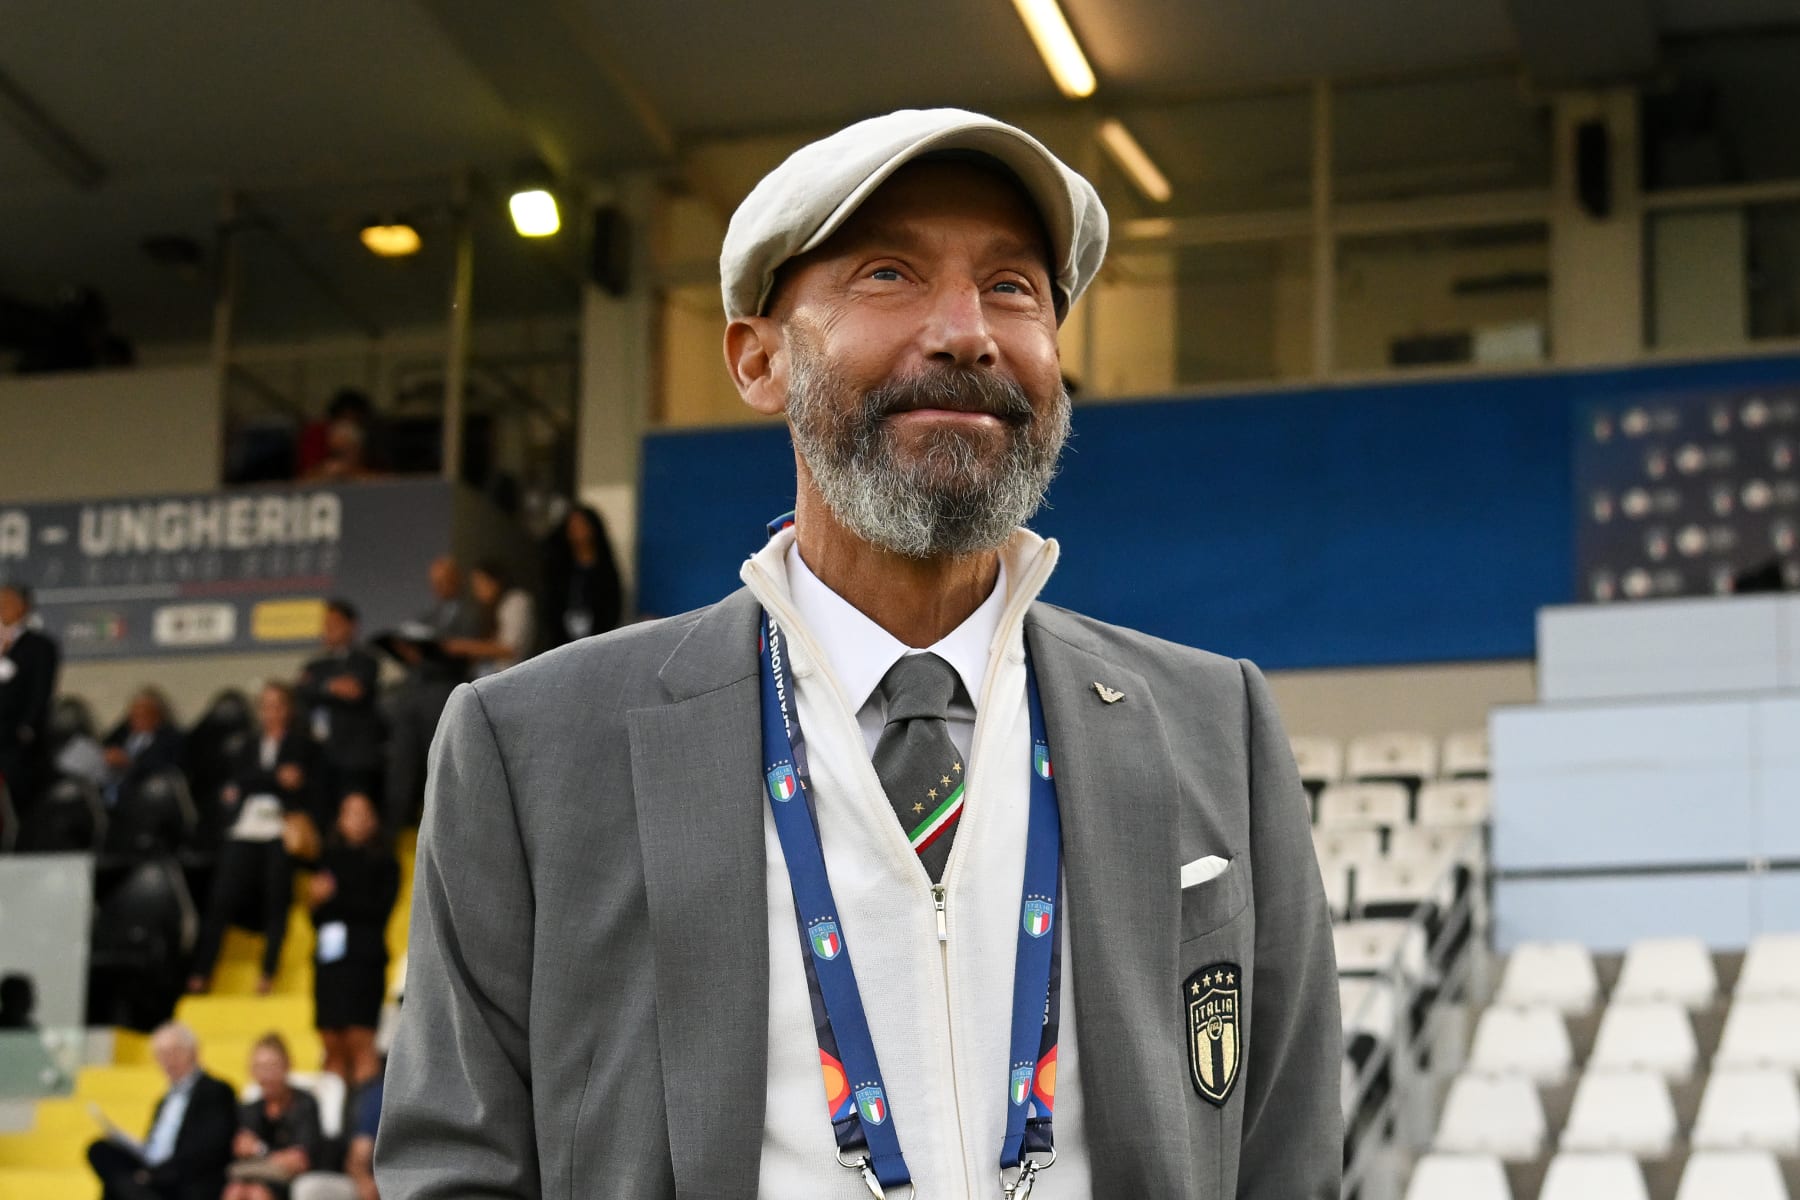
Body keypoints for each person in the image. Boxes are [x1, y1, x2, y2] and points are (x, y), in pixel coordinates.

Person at [377, 109, 1340, 1199]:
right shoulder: (534, 749)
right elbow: (458, 1168)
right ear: (757, 359)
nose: (967, 331)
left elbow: (1288, 1159)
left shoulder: (1218, 725)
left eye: (1013, 286)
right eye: (889, 274)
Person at [188, 683, 319, 996]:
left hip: (281, 830)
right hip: (244, 829)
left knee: (277, 901)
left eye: (277, 704)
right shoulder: (246, 744)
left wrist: (260, 782)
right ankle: (201, 971)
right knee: (221, 900)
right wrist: (275, 778)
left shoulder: (302, 745)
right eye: (266, 705)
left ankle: (268, 973)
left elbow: (304, 785)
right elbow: (236, 784)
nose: (271, 711)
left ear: (288, 709)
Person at [306, 791, 399, 1087]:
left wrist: (332, 898)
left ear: (374, 820)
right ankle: (333, 1124)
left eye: (362, 812)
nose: (356, 820)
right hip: (329, 959)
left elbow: (376, 911)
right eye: (349, 812)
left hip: (364, 960)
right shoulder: (327, 858)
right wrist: (316, 902)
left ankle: (364, 1125)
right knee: (331, 1040)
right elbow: (318, 917)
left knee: (361, 1040)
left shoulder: (386, 862)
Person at [380, 555, 478, 829]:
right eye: (435, 582)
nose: (440, 586)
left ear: (457, 580)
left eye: (445, 580)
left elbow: (467, 653)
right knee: (402, 770)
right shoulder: (425, 617)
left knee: (438, 768)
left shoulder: (472, 615)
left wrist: (442, 650)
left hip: (444, 693)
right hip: (414, 696)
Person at [86, 1022, 236, 1200]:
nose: (167, 1060)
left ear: (193, 1052)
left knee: (117, 1188)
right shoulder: (163, 1100)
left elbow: (208, 1149)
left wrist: (155, 1175)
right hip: (152, 1170)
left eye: (173, 1052)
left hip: (184, 1179)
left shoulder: (215, 1090)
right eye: (161, 1055)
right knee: (99, 1150)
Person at [296, 600, 385, 807]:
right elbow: (301, 689)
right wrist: (332, 686)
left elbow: (353, 690)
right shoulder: (315, 663)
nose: (328, 629)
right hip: (323, 756)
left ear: (352, 625)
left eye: (335, 623)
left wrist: (319, 686)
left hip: (357, 758)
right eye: (326, 623)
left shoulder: (366, 659)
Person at [223, 1033, 324, 1200]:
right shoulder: (249, 1110)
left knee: (257, 1194)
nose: (266, 1074)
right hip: (253, 1179)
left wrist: (259, 1150)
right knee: (234, 1191)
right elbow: (240, 1149)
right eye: (260, 1067)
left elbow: (300, 1159)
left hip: (290, 1182)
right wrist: (275, 1156)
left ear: (287, 1065)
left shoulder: (304, 1104)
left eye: (272, 1066)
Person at [0, 581, 59, 823]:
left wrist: (27, 729)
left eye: (7, 602)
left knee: (20, 799)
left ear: (24, 607)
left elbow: (40, 692)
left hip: (18, 744)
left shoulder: (39, 646)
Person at [539, 504, 623, 649]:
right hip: (562, 641)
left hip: (599, 640)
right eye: (572, 526)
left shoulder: (605, 569)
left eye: (581, 525)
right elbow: (552, 605)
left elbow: (612, 606)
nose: (576, 530)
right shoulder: (559, 569)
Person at [292, 1068, 383, 1200]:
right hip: (378, 1182)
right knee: (309, 1188)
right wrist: (364, 1182)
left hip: (413, 1180)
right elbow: (358, 1155)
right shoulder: (382, 1094)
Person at [442, 561, 535, 678]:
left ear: (494, 581)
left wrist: (464, 646)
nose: (477, 591)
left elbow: (509, 649)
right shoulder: (494, 607)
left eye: (480, 584)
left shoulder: (516, 601)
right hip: (495, 673)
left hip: (513, 674)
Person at [101, 687, 185, 809]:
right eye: (134, 715)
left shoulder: (170, 738)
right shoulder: (122, 733)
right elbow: (105, 746)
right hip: (110, 783)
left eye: (144, 715)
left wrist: (130, 763)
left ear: (157, 716)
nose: (137, 720)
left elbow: (167, 766)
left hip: (143, 790)